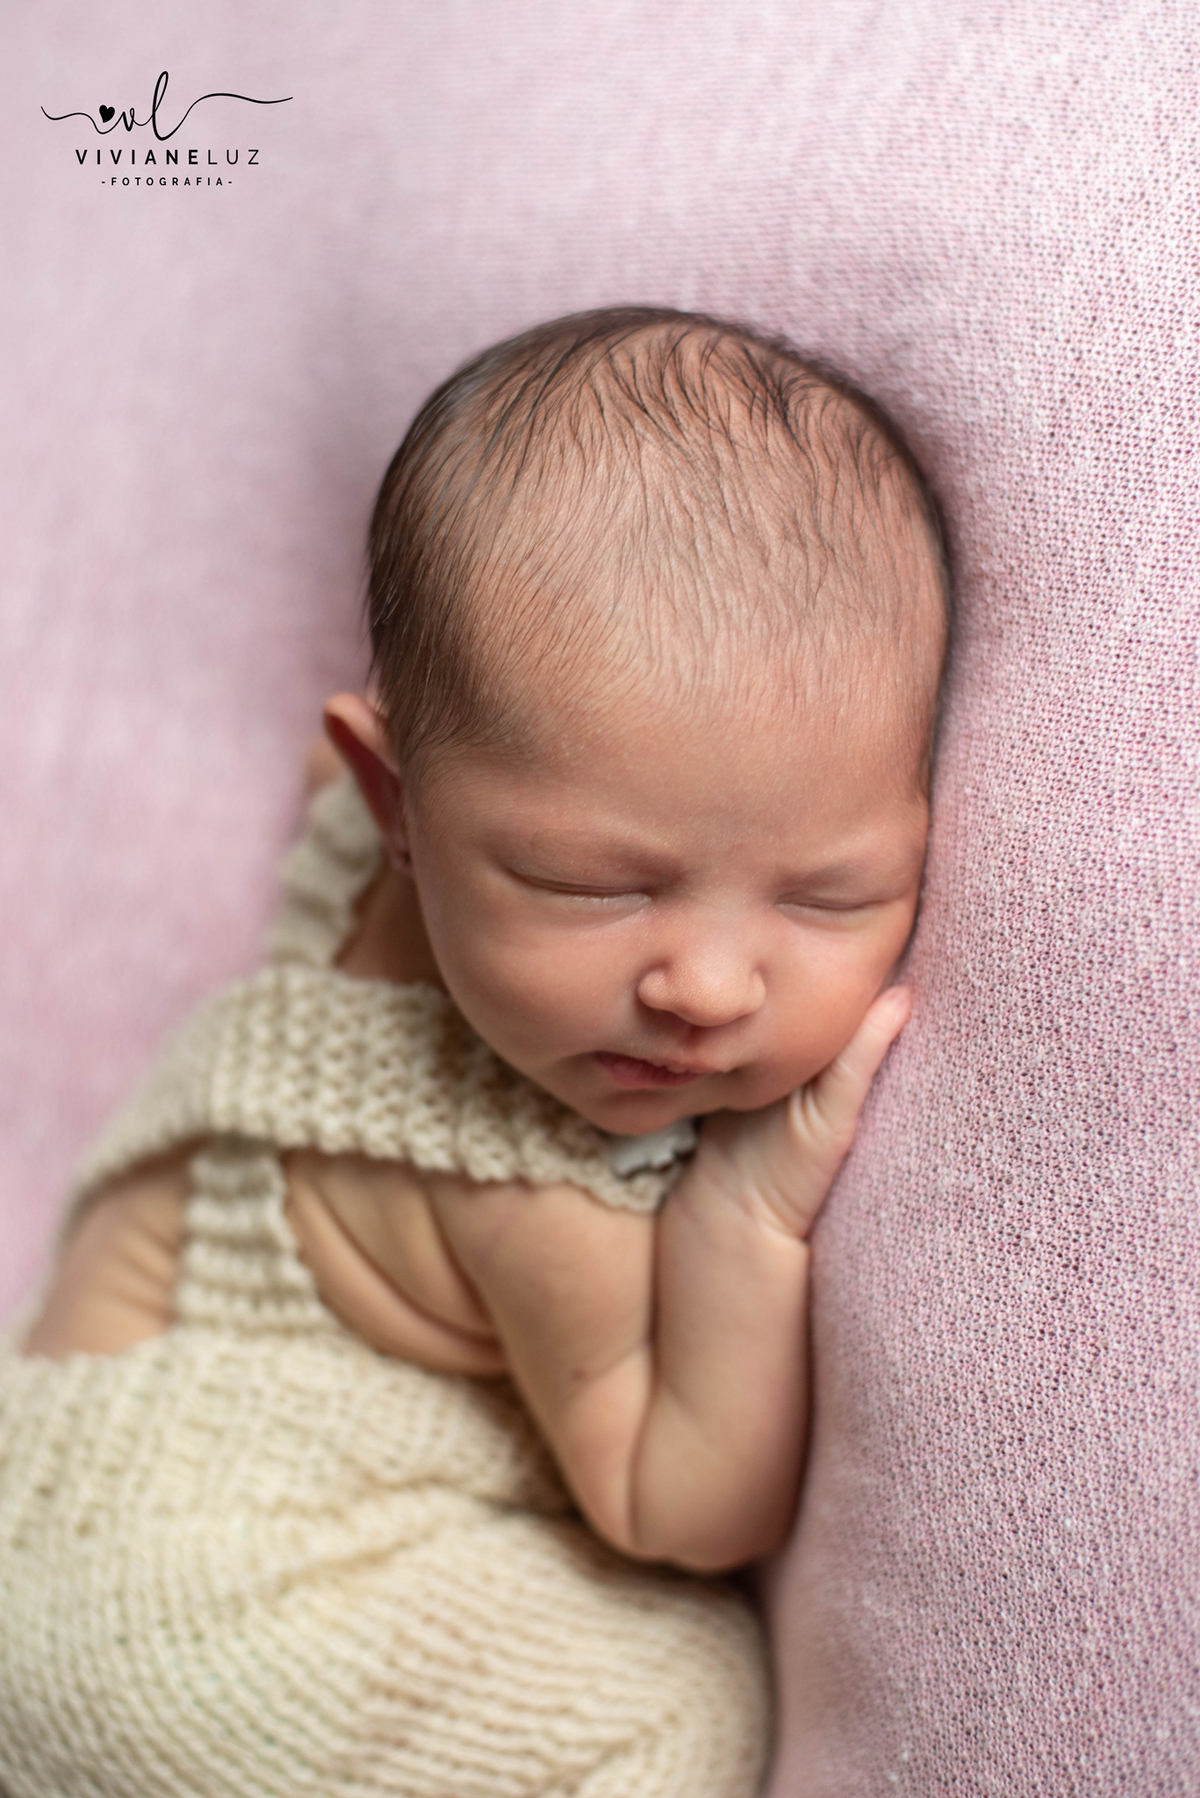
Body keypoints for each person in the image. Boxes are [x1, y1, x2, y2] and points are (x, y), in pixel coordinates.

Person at [0, 307, 949, 1797]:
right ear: (406, 804)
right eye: (595, 883)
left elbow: (345, 757)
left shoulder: (352, 852)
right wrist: (743, 1217)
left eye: (826, 894)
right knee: (683, 1695)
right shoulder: (538, 1192)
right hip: (191, 1618)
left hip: (50, 1476)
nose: (702, 983)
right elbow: (680, 1506)